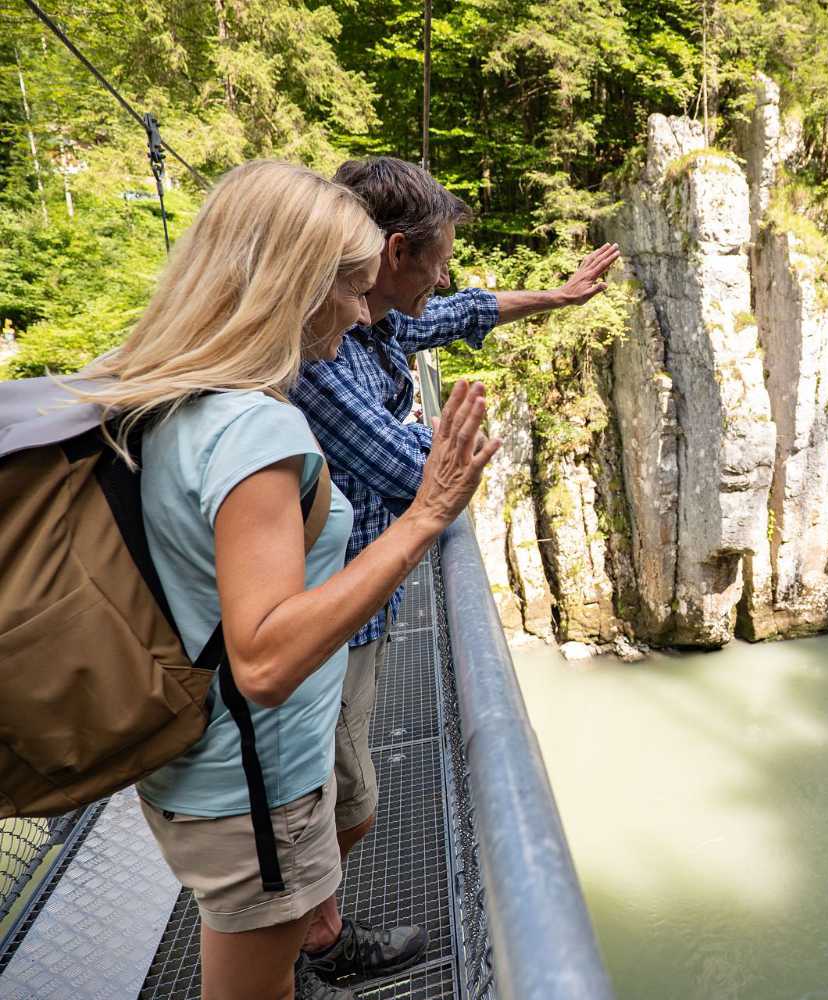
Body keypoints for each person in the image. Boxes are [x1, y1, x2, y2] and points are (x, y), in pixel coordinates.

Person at [72, 161, 499, 1000]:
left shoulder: (161, 389)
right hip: (256, 785)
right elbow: (265, 661)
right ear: (295, 286)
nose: (359, 307)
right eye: (347, 286)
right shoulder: (255, 429)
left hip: (205, 759)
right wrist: (424, 515)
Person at [289, 157, 620, 976]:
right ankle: (313, 940)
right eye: (434, 262)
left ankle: (308, 925)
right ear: (392, 255)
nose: (443, 280)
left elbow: (461, 312)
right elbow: (419, 477)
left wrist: (558, 296)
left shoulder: (367, 320)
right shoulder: (325, 353)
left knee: (338, 791)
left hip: (355, 602)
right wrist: (453, 459)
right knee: (337, 798)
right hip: (326, 620)